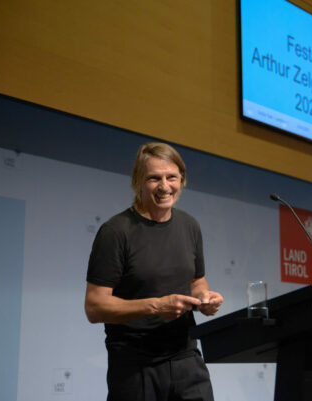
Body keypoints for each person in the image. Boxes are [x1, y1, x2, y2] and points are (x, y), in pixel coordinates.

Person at [85, 142, 223, 401]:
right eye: (154, 178)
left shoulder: (190, 226)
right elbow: (94, 306)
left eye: (172, 177)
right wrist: (157, 306)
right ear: (138, 182)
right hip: (135, 364)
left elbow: (197, 281)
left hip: (186, 358)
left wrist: (204, 298)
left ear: (182, 180)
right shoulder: (115, 232)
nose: (164, 186)